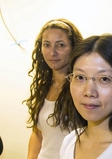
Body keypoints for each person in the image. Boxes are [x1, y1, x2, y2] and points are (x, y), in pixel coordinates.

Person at [23, 18, 84, 159]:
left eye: (60, 45)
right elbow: (37, 133)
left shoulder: (82, 87)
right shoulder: (43, 86)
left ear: (74, 48)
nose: (52, 53)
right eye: (47, 45)